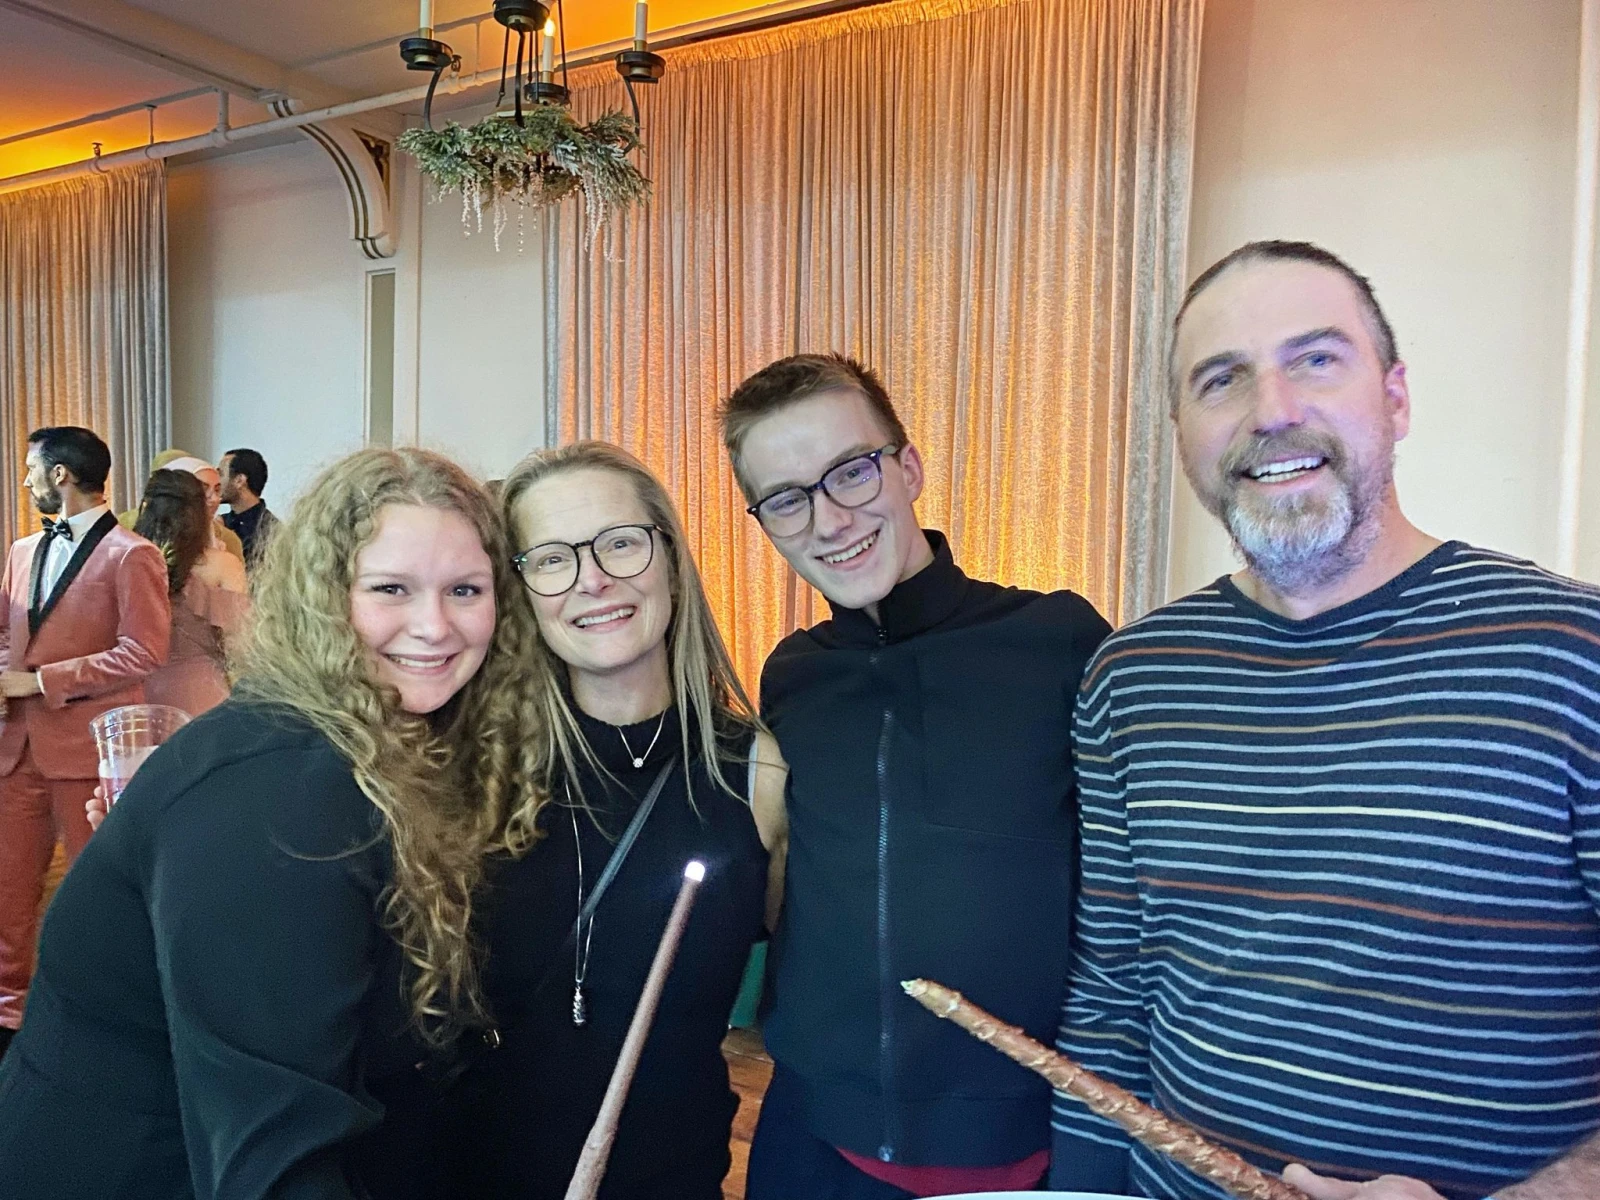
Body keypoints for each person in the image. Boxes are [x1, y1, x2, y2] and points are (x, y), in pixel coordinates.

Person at [1050, 240, 1600, 1200]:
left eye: (1315, 359)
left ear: (1395, 397)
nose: (1272, 411)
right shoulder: (1130, 678)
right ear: (1181, 434)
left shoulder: (1572, 653)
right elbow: (1115, 994)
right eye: (1221, 379)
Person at [0, 447, 544, 1197]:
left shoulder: (403, 741)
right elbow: (272, 1151)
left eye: (465, 589)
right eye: (391, 588)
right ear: (323, 596)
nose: (435, 625)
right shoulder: (285, 785)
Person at [721, 354, 1111, 1199]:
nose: (829, 519)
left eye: (851, 472)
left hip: (1018, 1145)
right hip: (810, 1138)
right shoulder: (792, 675)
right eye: (786, 498)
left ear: (908, 468)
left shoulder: (1061, 641)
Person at [354, 441, 787, 1200]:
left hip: (671, 1180)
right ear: (519, 590)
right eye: (552, 559)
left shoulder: (756, 774)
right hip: (466, 1179)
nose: (592, 579)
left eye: (619, 543)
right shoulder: (460, 763)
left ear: (670, 560)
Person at [0, 426, 170, 1063]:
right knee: (8, 891)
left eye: (31, 470)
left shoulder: (132, 555)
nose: (25, 482)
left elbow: (143, 652)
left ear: (61, 475)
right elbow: (7, 634)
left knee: (98, 893)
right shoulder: (21, 550)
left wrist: (43, 681)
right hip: (15, 750)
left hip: (88, 750)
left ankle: (106, 1018)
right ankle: (8, 1016)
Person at [134, 469, 249, 716]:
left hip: (137, 696)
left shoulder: (127, 563)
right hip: (202, 695)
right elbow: (240, 646)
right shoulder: (222, 565)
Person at [119, 448, 246, 564]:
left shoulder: (227, 539)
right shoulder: (128, 526)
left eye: (217, 490)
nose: (213, 499)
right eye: (202, 489)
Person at [220, 447, 279, 568]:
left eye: (220, 474)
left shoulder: (272, 532)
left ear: (239, 480)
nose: (216, 482)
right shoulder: (219, 524)